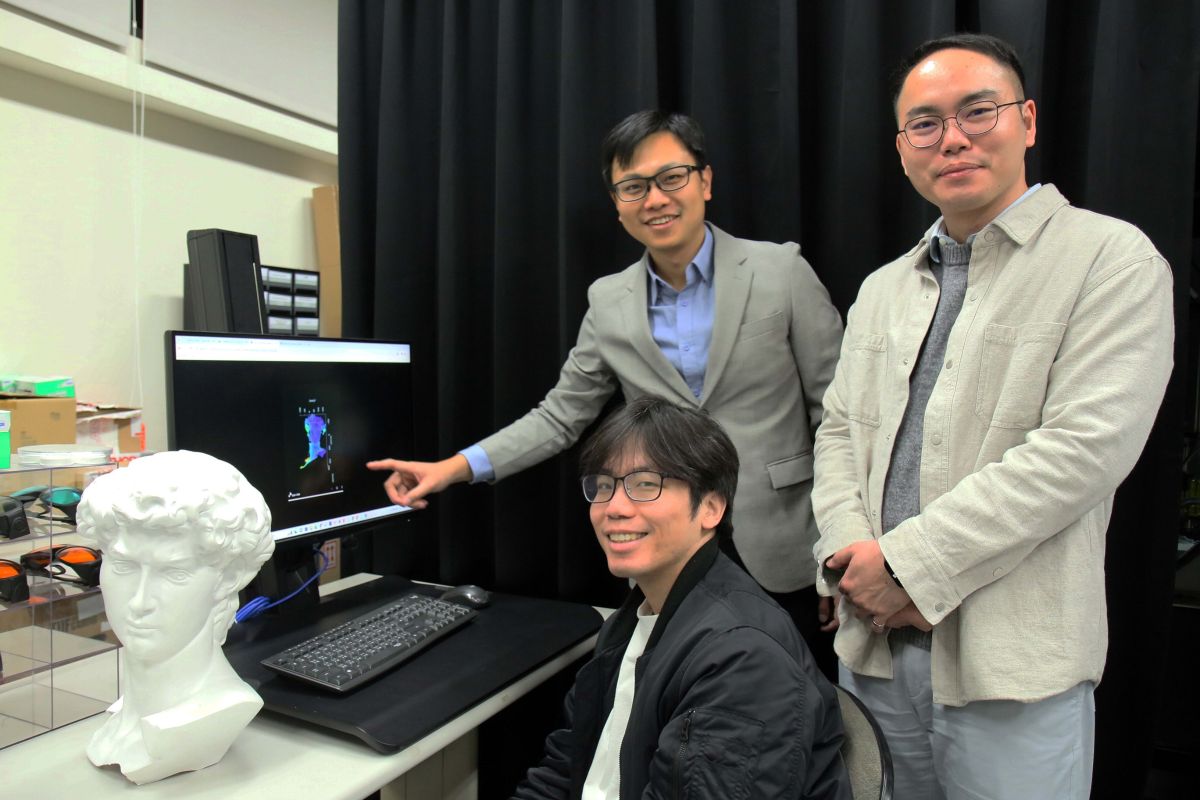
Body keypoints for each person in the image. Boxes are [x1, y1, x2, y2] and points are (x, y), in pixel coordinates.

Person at [811, 33, 1173, 799]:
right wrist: (849, 555)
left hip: (1012, 663)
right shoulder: (882, 288)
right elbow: (839, 431)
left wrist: (906, 564)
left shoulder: (1112, 260)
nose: (955, 138)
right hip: (872, 649)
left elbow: (1082, 451)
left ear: (1029, 120)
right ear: (903, 147)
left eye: (979, 111)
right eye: (926, 122)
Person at [368, 109, 844, 671]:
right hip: (669, 542)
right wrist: (451, 468)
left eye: (672, 178)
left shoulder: (780, 270)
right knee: (686, 701)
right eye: (633, 187)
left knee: (800, 702)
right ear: (617, 204)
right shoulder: (609, 300)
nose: (656, 199)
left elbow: (839, 414)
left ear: (705, 181)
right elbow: (560, 417)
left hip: (786, 543)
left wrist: (836, 548)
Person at [512, 396, 850, 799]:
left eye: (645, 485)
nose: (614, 507)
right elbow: (567, 769)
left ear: (710, 508)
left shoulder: (742, 658)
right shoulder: (633, 621)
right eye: (604, 486)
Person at [77, 451, 275, 785]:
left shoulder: (222, 709)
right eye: (124, 567)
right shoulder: (123, 719)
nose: (139, 602)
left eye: (174, 574)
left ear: (227, 578)